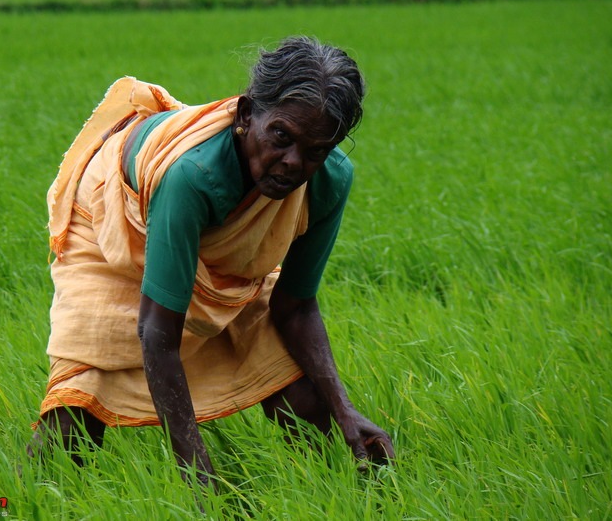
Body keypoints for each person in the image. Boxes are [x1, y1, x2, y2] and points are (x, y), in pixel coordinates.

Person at [27, 36, 395, 484]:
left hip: (208, 247)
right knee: (77, 415)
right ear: (245, 116)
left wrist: (345, 411)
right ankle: (28, 500)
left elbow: (295, 306)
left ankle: (318, 494)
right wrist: (198, 474)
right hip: (116, 224)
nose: (293, 163)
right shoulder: (194, 175)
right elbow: (157, 331)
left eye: (316, 149)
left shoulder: (329, 179)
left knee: (302, 397)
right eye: (281, 136)